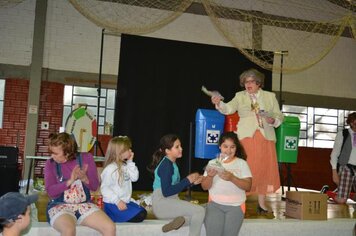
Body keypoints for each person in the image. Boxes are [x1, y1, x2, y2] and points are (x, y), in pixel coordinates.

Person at [211, 68, 284, 213]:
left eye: (251, 81)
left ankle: (262, 204)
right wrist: (219, 103)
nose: (247, 84)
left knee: (265, 169)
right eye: (245, 82)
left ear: (258, 83)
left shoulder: (270, 96)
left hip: (266, 137)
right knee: (245, 168)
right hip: (246, 137)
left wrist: (273, 119)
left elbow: (280, 116)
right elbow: (229, 108)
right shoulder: (240, 96)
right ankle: (238, 201)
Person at [44, 132, 115, 236]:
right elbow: (50, 192)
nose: (52, 156)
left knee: (110, 227)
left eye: (55, 153)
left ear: (67, 152)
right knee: (68, 230)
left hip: (84, 205)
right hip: (59, 205)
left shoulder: (86, 158)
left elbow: (95, 187)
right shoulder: (50, 164)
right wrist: (69, 181)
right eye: (51, 152)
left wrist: (85, 178)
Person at [147, 134, 205, 236]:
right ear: (167, 151)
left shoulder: (172, 164)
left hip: (169, 202)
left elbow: (175, 188)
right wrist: (187, 180)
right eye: (177, 147)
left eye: (180, 146)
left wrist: (191, 182)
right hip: (162, 204)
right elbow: (166, 192)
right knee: (200, 211)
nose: (181, 149)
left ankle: (178, 223)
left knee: (200, 212)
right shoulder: (166, 166)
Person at [201, 132, 252, 236]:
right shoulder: (212, 163)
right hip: (214, 205)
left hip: (236, 206)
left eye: (232, 147)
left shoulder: (242, 163)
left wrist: (232, 178)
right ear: (220, 146)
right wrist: (210, 176)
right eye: (225, 146)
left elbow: (248, 186)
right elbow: (204, 187)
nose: (228, 150)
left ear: (236, 148)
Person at [100, 136, 147, 222]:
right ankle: (112, 216)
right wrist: (117, 201)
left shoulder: (125, 166)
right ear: (119, 152)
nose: (130, 151)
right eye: (128, 149)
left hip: (125, 201)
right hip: (113, 204)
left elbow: (134, 178)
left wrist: (130, 162)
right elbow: (105, 189)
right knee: (141, 215)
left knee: (143, 211)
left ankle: (120, 216)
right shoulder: (110, 169)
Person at [328, 112, 356, 203]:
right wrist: (334, 172)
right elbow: (334, 154)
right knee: (341, 200)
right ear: (351, 123)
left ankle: (349, 194)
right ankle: (330, 194)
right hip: (346, 167)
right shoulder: (343, 134)